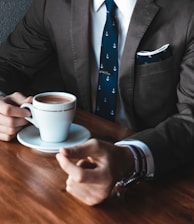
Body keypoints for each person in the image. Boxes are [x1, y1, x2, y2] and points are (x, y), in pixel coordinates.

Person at [0, 0, 194, 206]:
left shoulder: (187, 10)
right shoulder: (53, 4)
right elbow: (9, 63)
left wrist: (131, 157)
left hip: (161, 180)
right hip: (64, 167)